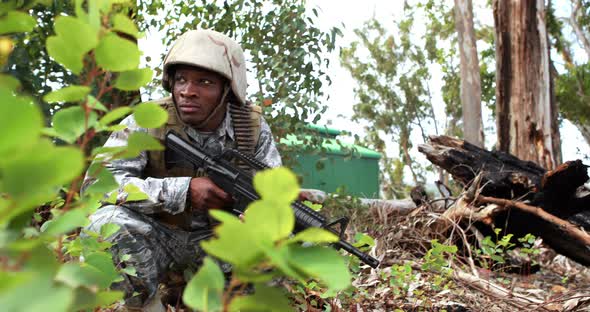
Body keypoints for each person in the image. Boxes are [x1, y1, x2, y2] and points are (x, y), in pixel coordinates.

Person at [83, 29, 282, 311]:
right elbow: (97, 187)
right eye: (181, 80)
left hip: (220, 247)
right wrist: (181, 191)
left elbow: (274, 196)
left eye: (204, 82)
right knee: (104, 224)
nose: (188, 91)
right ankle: (146, 305)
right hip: (158, 240)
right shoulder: (149, 119)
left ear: (227, 90)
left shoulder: (250, 130)